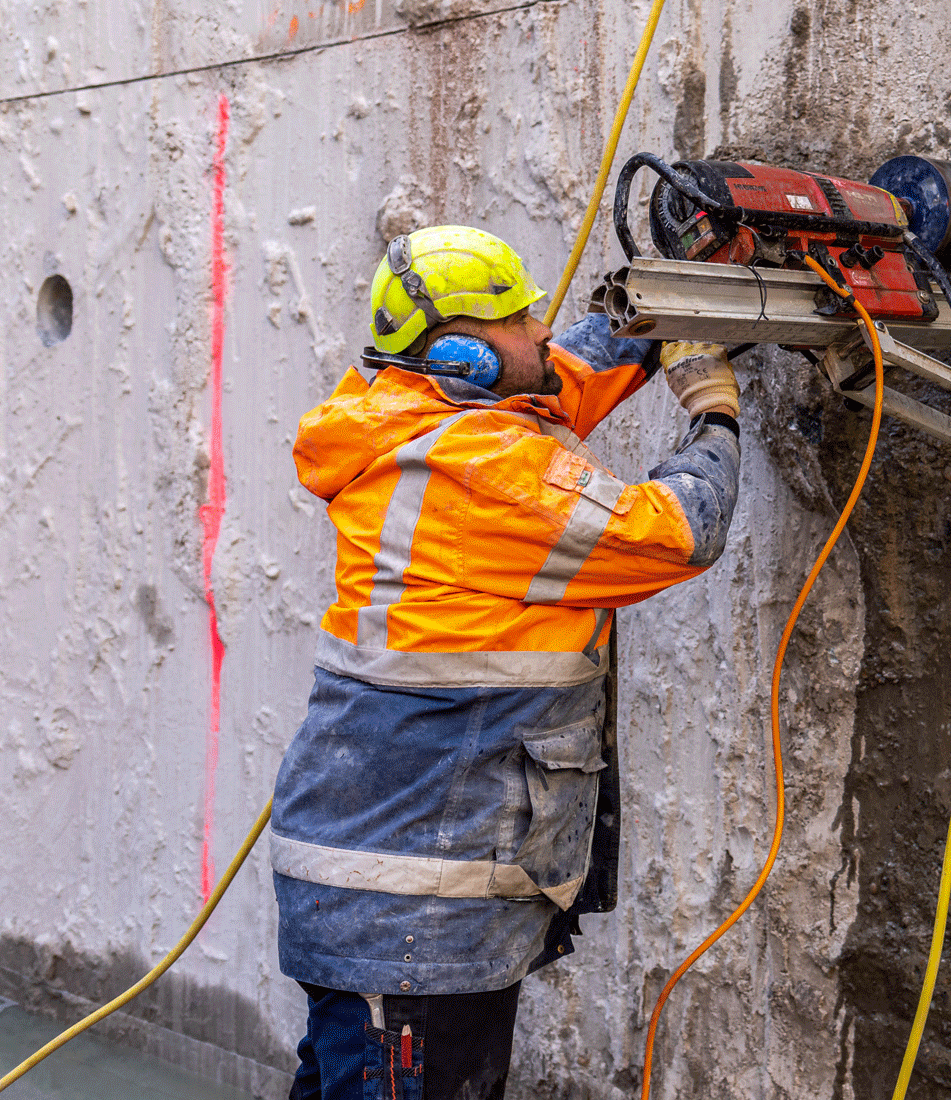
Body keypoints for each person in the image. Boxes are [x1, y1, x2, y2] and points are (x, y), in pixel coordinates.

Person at [269, 225, 742, 1099]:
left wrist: (666, 297)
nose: (543, 332)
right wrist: (713, 408)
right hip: (410, 923)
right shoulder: (478, 473)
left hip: (393, 908)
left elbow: (560, 373)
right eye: (523, 321)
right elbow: (680, 530)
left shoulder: (406, 410)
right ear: (462, 354)